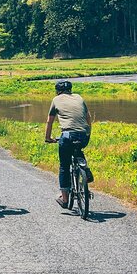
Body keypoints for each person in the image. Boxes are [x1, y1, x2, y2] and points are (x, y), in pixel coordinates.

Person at [44, 80, 92, 209]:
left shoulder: (56, 99)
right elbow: (88, 117)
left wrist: (48, 138)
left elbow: (50, 121)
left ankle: (65, 199)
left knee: (64, 166)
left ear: (57, 91)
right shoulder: (79, 97)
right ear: (70, 90)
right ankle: (85, 169)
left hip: (67, 136)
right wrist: (88, 133)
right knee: (77, 149)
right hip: (83, 135)